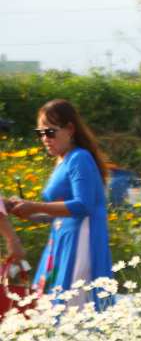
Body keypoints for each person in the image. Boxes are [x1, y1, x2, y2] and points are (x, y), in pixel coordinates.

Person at [8, 99, 113, 309]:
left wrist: (35, 206)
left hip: (81, 240)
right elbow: (59, 212)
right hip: (61, 238)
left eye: (50, 132)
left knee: (74, 303)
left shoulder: (79, 158)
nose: (45, 139)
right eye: (40, 133)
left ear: (70, 129)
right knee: (53, 301)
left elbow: (82, 206)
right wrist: (24, 211)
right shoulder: (62, 159)